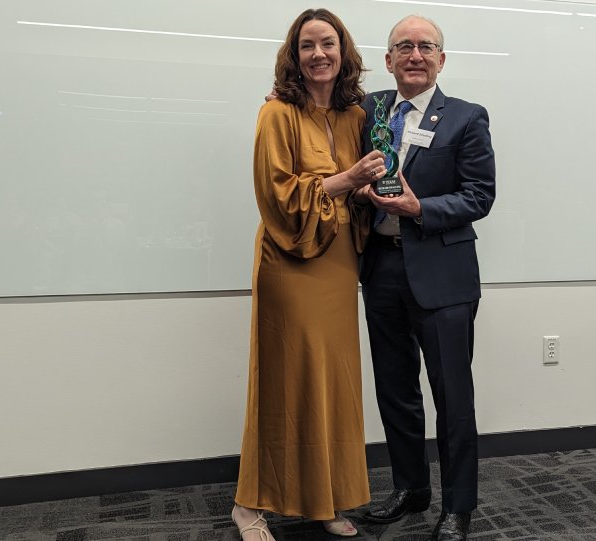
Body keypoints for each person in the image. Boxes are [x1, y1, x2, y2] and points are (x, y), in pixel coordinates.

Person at [231, 8, 387, 541]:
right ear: (293, 56)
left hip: (340, 260)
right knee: (284, 379)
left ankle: (323, 499)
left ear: (343, 52)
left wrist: (366, 188)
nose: (318, 54)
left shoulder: (353, 115)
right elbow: (277, 196)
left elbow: (354, 193)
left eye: (328, 44)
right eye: (306, 46)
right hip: (290, 259)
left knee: (333, 381)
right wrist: (345, 179)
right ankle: (249, 506)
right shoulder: (277, 113)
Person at [355, 15, 496, 541]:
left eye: (426, 46)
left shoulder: (465, 117)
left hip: (443, 274)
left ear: (442, 59)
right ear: (388, 60)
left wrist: (421, 207)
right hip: (382, 267)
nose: (415, 54)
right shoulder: (367, 110)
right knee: (394, 389)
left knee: (452, 395)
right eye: (403, 47)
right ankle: (411, 489)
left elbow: (479, 195)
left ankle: (459, 508)